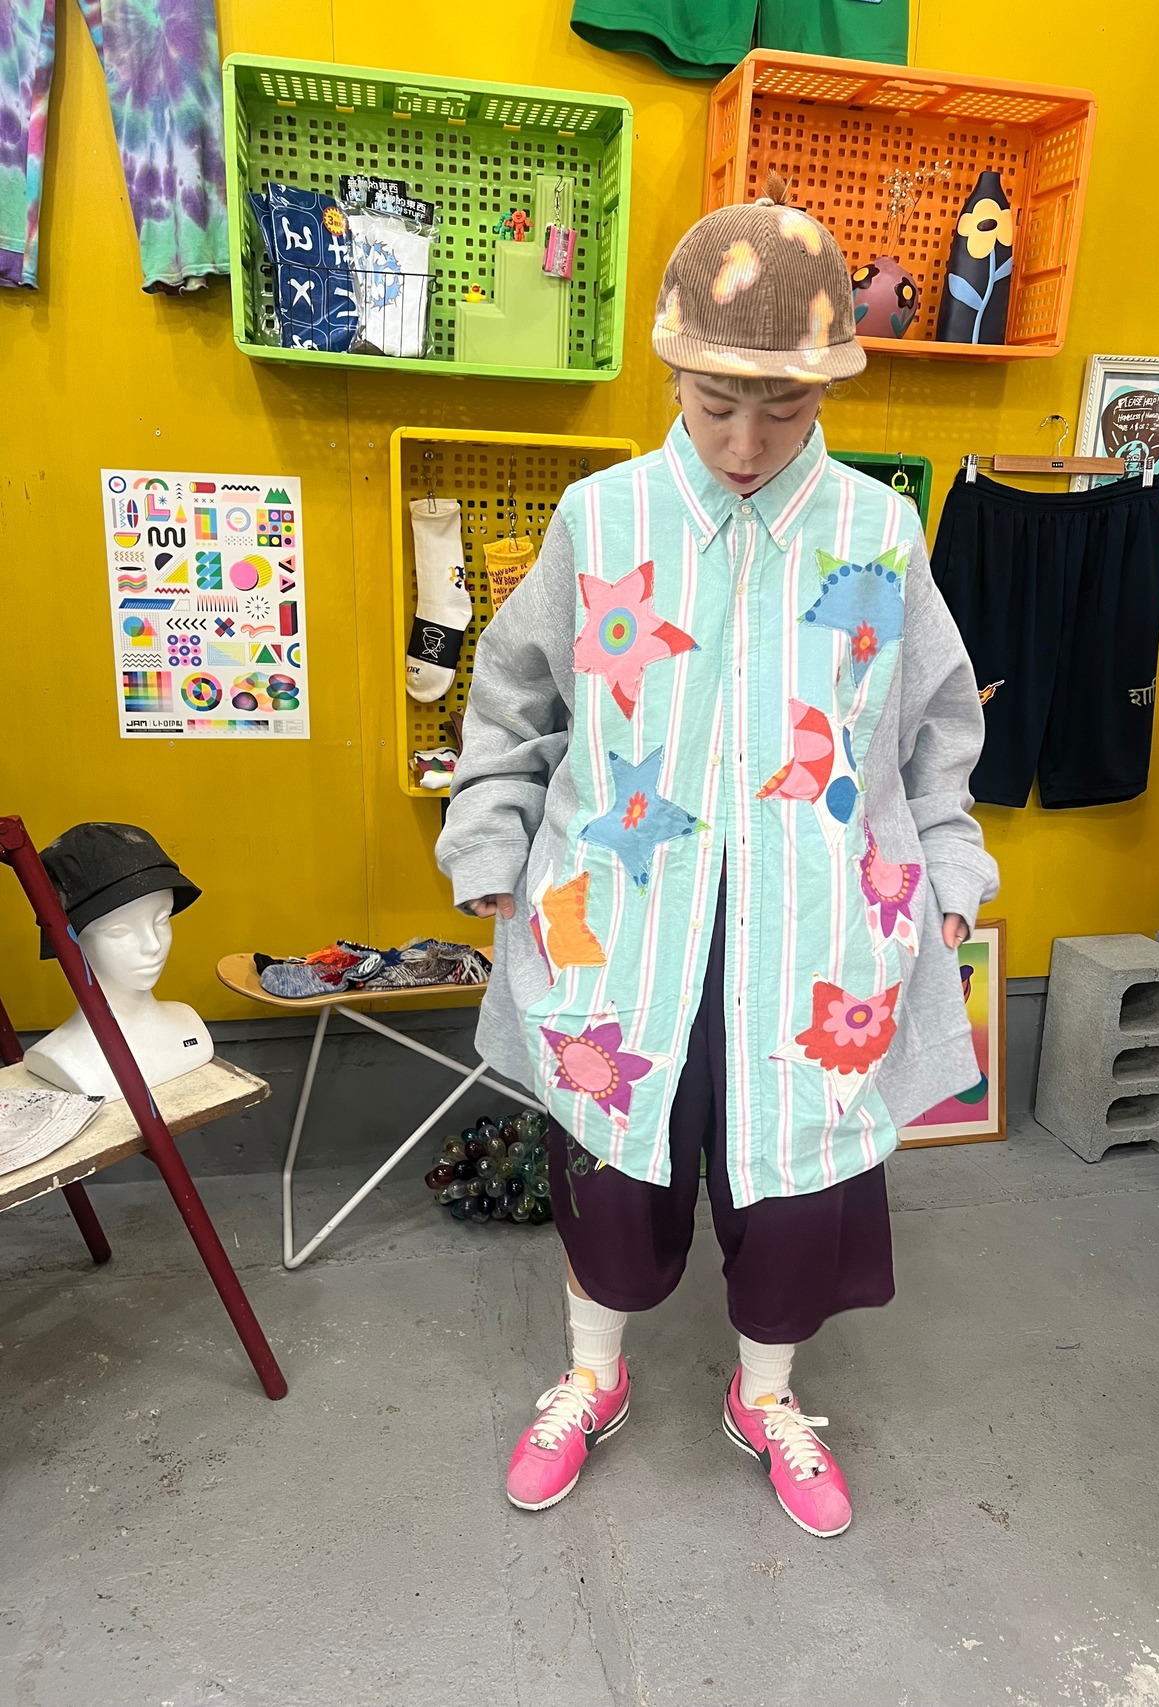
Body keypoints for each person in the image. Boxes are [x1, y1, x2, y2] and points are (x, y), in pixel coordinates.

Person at [436, 175, 998, 1539]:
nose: (746, 444)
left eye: (783, 409)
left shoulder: (875, 533)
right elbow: (511, 699)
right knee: (610, 1166)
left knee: (797, 1180)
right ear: (673, 375)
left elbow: (934, 725)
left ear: (831, 389)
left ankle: (768, 1396)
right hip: (623, 923)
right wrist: (492, 838)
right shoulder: (604, 520)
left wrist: (949, 868)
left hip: (816, 934)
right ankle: (592, 1376)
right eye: (715, 404)